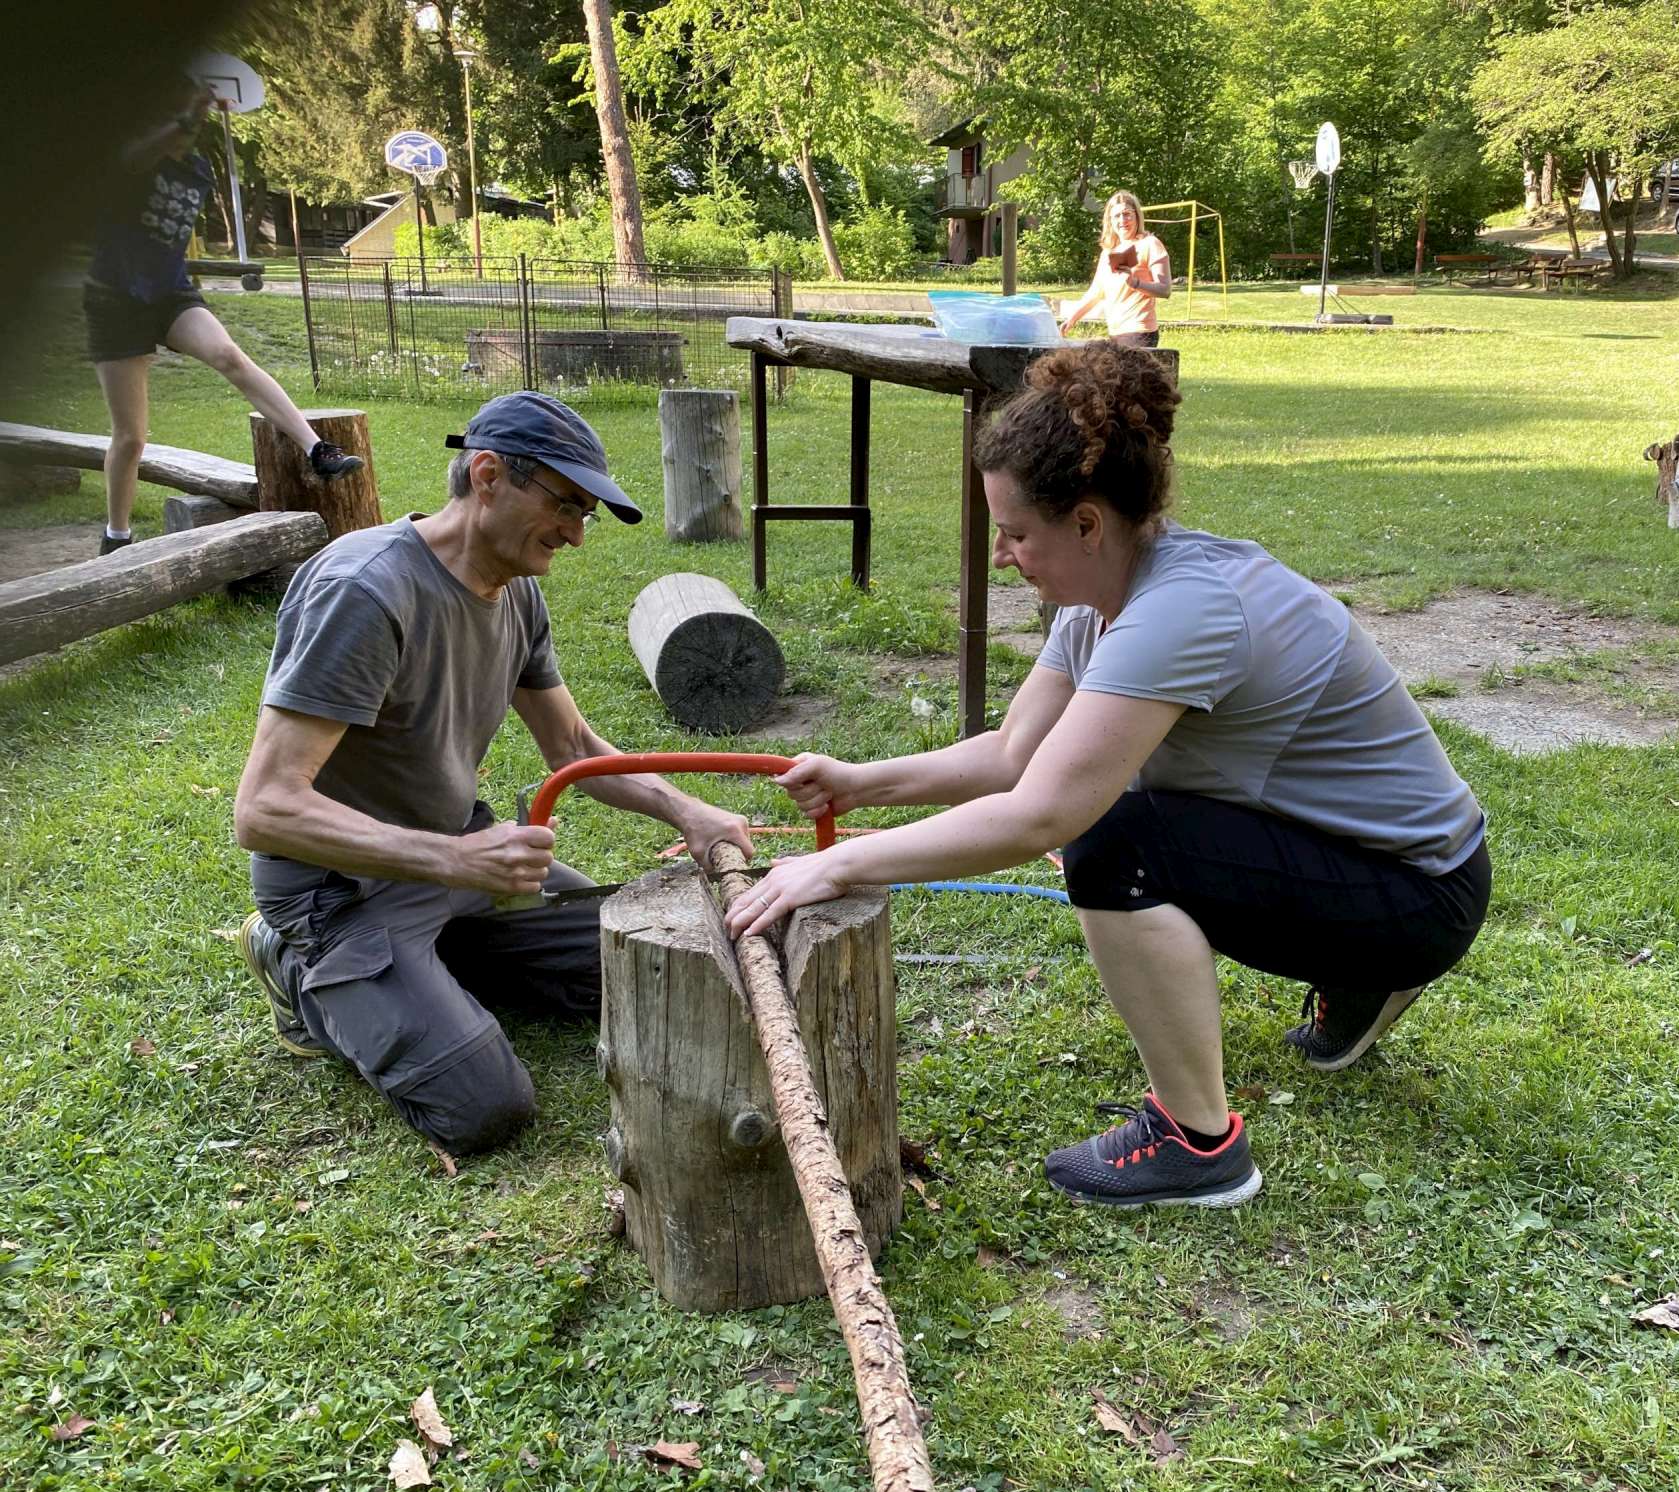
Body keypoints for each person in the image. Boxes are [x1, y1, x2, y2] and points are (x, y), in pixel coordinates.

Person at [724, 342, 1490, 1211]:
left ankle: (1200, 1146)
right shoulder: (1109, 597)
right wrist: (860, 782)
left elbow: (1042, 814)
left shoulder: (1182, 610)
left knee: (1114, 843)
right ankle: (1362, 982)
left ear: (1087, 524)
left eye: (1016, 533)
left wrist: (836, 865)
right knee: (1117, 812)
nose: (1002, 555)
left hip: (1421, 895)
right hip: (1381, 863)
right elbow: (1014, 753)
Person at [232, 391, 755, 1157]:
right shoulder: (364, 591)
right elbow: (265, 809)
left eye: (586, 514)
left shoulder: (516, 591)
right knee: (483, 1108)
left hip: (458, 862)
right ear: (487, 475)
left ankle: (437, 961)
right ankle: (294, 965)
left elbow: (572, 746)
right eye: (565, 506)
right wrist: (455, 859)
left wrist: (688, 811)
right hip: (340, 888)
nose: (576, 535)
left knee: (651, 971)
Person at [85, 73, 364, 555]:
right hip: (114, 302)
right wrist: (187, 115)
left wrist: (191, 119)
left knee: (230, 356)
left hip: (169, 294)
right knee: (131, 437)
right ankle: (117, 536)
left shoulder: (197, 171)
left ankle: (318, 449)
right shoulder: (129, 160)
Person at [1058, 191, 1172, 348]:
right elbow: (1096, 293)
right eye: (1117, 216)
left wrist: (1134, 282)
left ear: (1137, 216)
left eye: (1127, 214)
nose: (1122, 220)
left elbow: (1165, 289)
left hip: (1140, 331)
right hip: (1116, 332)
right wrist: (1072, 319)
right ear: (1110, 221)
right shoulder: (1108, 253)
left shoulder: (1150, 244)